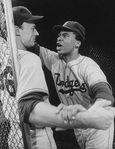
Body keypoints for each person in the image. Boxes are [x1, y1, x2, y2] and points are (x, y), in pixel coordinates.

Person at [12, 6, 115, 149]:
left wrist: (98, 109)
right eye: (59, 35)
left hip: (97, 126)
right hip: (78, 125)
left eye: (65, 35)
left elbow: (104, 91)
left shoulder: (87, 65)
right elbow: (31, 45)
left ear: (77, 43)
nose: (59, 38)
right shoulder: (54, 60)